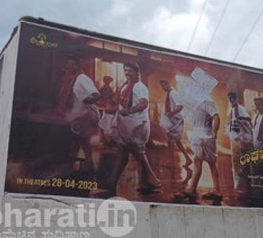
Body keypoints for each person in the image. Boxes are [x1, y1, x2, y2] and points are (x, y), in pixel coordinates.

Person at [105, 63, 161, 194]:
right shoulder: (126, 85)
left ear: (137, 72)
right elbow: (118, 99)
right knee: (124, 152)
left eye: (130, 71)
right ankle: (113, 181)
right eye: (126, 70)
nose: (127, 73)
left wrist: (129, 110)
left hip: (137, 125)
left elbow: (143, 103)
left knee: (136, 152)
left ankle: (153, 180)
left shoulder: (140, 87)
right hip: (128, 125)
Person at [57, 53, 100, 172]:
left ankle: (84, 168)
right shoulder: (68, 79)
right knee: (79, 142)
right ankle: (85, 167)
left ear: (78, 66)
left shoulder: (82, 78)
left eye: (74, 64)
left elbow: (96, 95)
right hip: (74, 116)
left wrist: (87, 100)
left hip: (84, 116)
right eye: (68, 64)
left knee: (78, 141)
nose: (71, 67)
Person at [178, 97, 221, 202]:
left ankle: (212, 190)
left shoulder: (208, 101)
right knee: (200, 161)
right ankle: (195, 189)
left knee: (207, 162)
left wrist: (215, 132)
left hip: (204, 136)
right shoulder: (197, 102)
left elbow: (216, 117)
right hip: (199, 135)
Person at [159, 80, 191, 167]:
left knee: (171, 140)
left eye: (165, 85)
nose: (163, 88)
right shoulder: (170, 93)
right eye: (162, 87)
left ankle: (171, 161)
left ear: (169, 83)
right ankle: (187, 159)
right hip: (173, 120)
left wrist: (171, 113)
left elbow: (180, 106)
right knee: (176, 140)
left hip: (175, 121)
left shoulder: (173, 93)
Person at [226, 92, 252, 192]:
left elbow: (248, 118)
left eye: (232, 97)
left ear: (236, 98)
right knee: (236, 159)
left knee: (242, 159)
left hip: (242, 137)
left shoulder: (240, 108)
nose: (231, 99)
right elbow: (230, 121)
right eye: (230, 98)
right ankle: (238, 180)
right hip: (234, 136)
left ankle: (244, 182)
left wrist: (240, 118)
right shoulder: (231, 109)